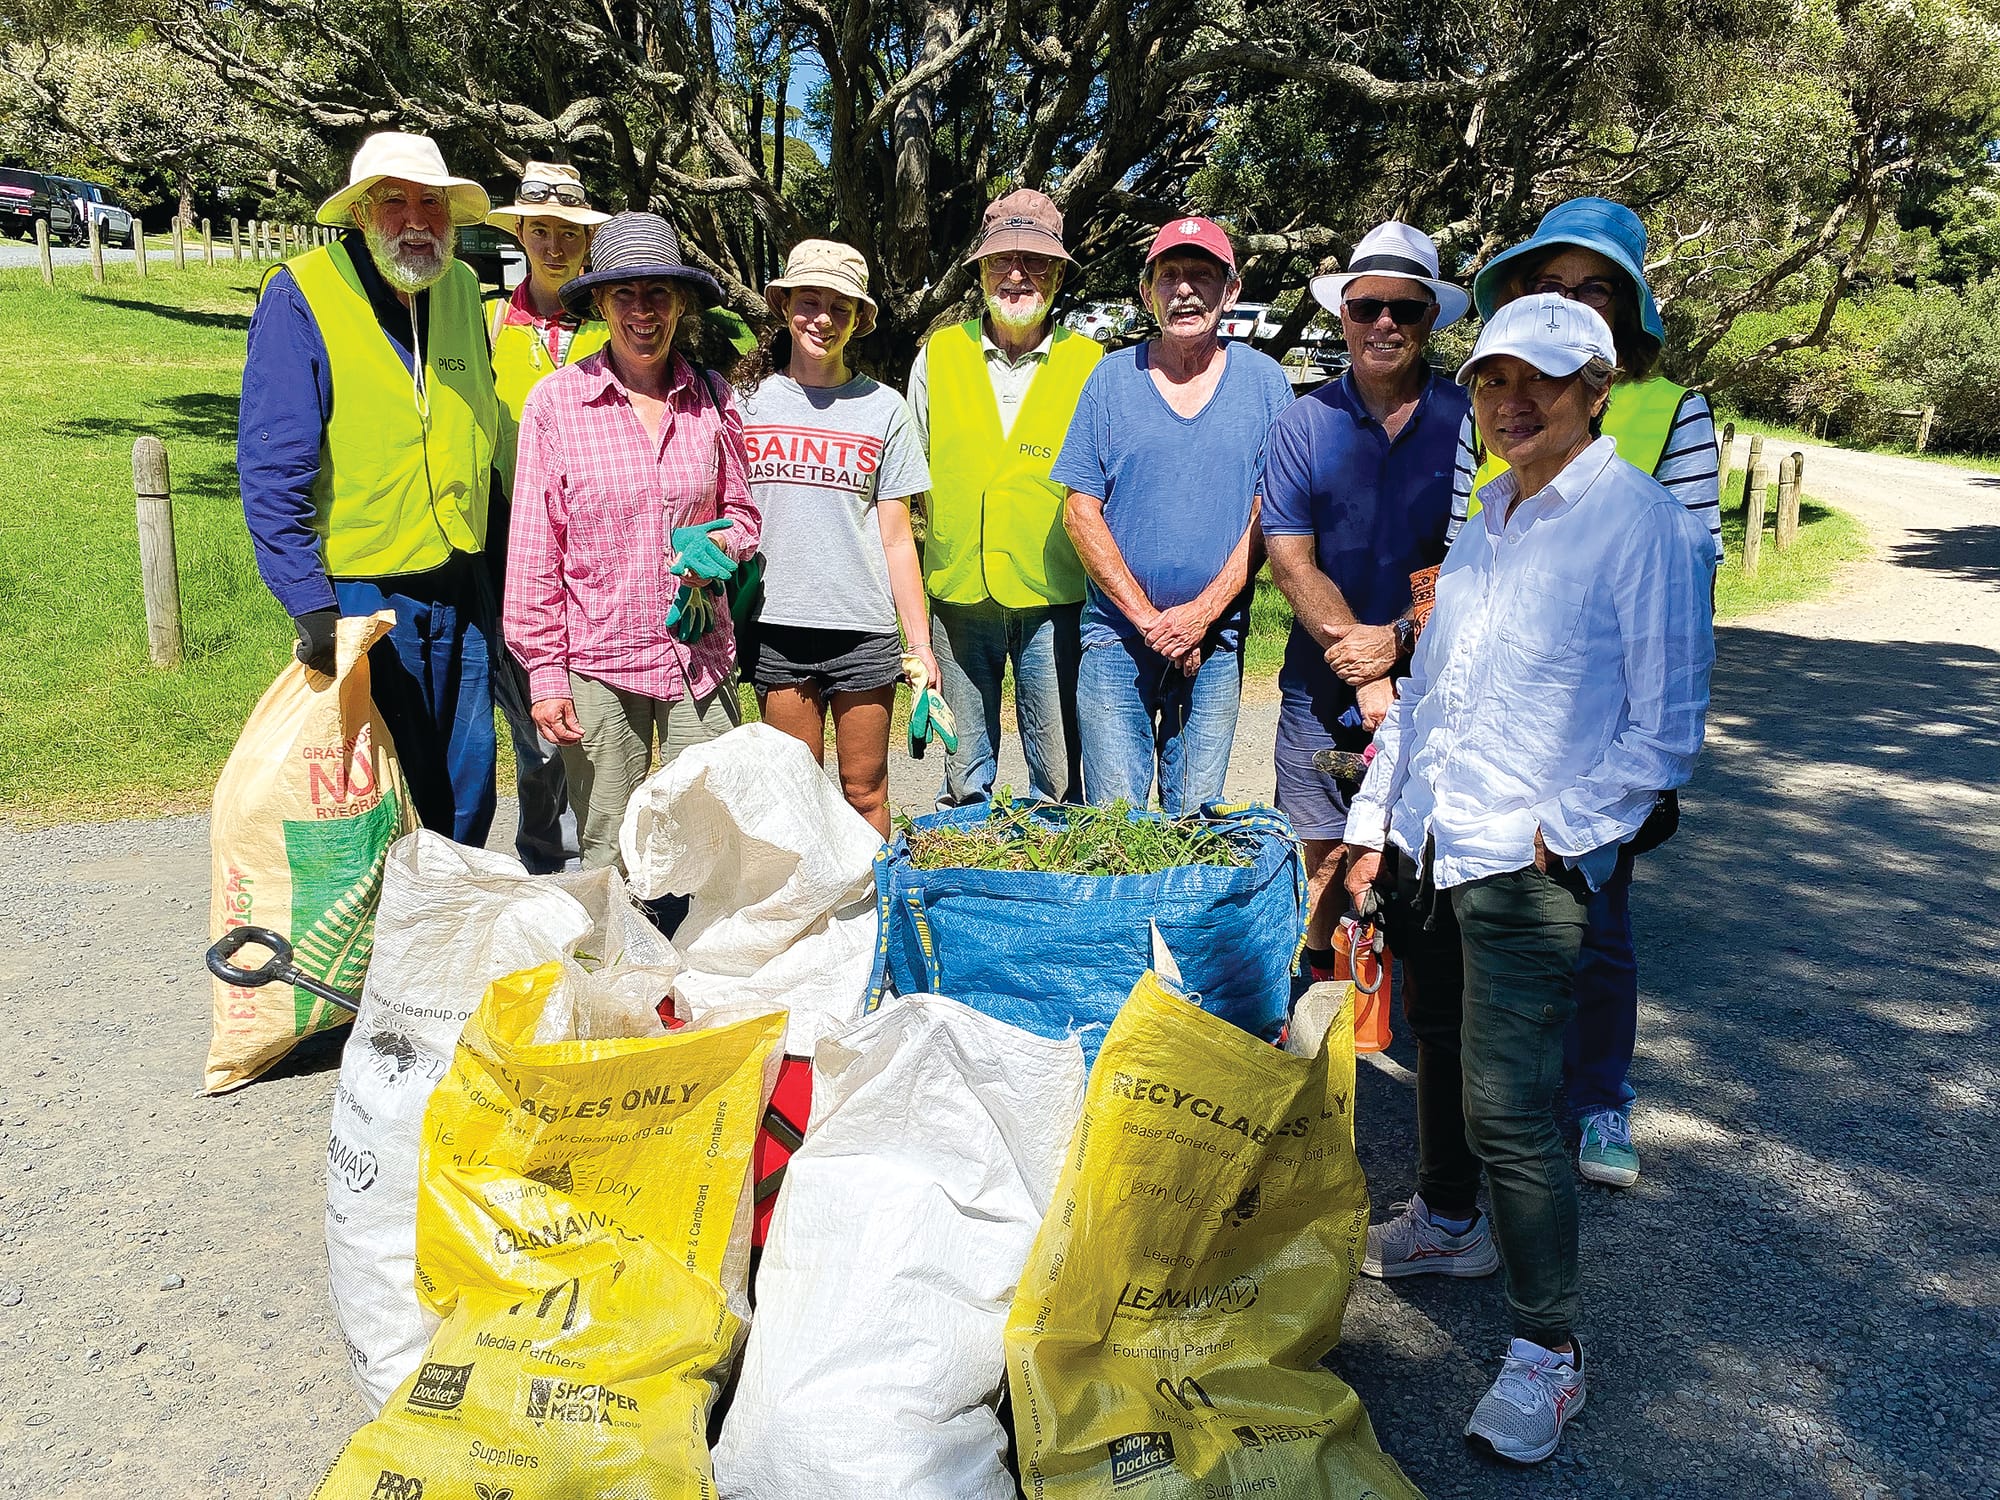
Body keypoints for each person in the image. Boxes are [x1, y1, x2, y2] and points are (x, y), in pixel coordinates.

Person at [1344, 294, 1715, 1464]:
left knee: (1509, 1108)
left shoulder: (1640, 525)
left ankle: (1548, 1348)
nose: (1510, 401)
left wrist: (1564, 834)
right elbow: (1427, 695)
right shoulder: (1487, 516)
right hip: (1435, 843)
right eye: (1493, 379)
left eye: (1539, 380)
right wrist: (1373, 825)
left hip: (1524, 861)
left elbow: (1664, 732)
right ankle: (1447, 1223)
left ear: (1595, 390)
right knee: (1438, 1046)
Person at [1454, 197, 1724, 1189]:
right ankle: (1502, 1098)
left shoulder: (1673, 410)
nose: (1571, 302)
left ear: (1626, 312)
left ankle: (1599, 1096)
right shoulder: (1490, 399)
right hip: (1495, 691)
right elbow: (1457, 538)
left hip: (1600, 709)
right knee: (1486, 910)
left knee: (1597, 922)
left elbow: (1689, 561)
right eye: (1549, 285)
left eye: (1595, 288)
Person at [238, 131, 502, 846]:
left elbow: (480, 430)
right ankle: (389, 918)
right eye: (393, 202)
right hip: (363, 593)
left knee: (467, 783)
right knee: (380, 795)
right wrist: (309, 603)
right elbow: (271, 468)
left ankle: (453, 907)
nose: (416, 220)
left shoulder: (461, 287)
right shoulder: (301, 294)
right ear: (359, 212)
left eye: (431, 203)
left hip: (462, 579)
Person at [501, 212, 759, 870]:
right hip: (598, 660)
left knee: (707, 835)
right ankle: (612, 941)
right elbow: (534, 553)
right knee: (605, 843)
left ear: (681, 303)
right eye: (625, 294)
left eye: (658, 293)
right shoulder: (556, 404)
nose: (643, 310)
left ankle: (695, 941)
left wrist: (718, 551)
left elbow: (743, 514)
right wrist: (545, 675)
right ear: (599, 303)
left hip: (697, 654)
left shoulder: (712, 397)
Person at [1261, 221, 1470, 979]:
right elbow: (1290, 557)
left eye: (1404, 309)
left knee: (1423, 849)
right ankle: (1321, 993)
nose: (1384, 322)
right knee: (1321, 848)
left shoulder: (1470, 421)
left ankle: (1414, 1005)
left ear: (1430, 319)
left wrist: (1398, 643)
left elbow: (1476, 557)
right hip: (1321, 676)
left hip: (1441, 677)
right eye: (1366, 307)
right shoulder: (1302, 422)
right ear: (1343, 315)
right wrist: (1366, 663)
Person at [1050, 215, 1292, 812]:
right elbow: (1080, 511)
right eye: (1169, 276)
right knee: (1115, 827)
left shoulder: (1265, 384)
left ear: (1231, 290)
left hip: (1216, 640)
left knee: (1199, 822)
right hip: (1115, 638)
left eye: (1202, 276)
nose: (1185, 290)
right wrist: (1150, 621)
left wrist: (1201, 616)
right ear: (1146, 292)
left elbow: (1270, 513)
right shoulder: (1110, 380)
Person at [907, 189, 1102, 806]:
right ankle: (964, 859)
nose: (1017, 275)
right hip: (958, 594)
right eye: (1001, 260)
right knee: (963, 774)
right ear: (980, 271)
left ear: (1059, 275)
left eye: (1035, 261)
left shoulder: (1092, 363)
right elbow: (906, 480)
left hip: (1055, 595)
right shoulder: (937, 355)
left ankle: (1053, 865)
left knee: (1059, 776)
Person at [735, 240, 935, 839]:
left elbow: (897, 538)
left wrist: (920, 645)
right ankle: (804, 900)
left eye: (839, 307)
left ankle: (871, 896)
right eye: (809, 301)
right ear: (784, 306)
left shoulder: (885, 409)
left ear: (858, 318)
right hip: (778, 626)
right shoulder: (747, 403)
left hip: (863, 631)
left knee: (865, 791)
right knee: (793, 796)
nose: (822, 318)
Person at [482, 162, 610, 874]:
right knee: (528, 712)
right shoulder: (486, 321)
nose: (555, 246)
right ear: (521, 234)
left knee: (592, 712)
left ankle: (598, 857)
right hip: (508, 537)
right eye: (541, 231)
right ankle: (543, 859)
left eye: (569, 233)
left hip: (594, 545)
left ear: (587, 241)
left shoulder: (613, 320)